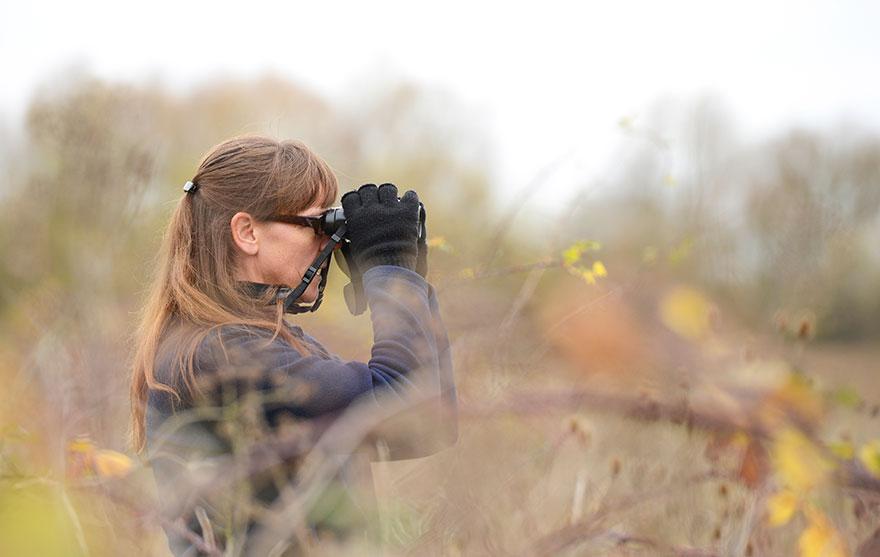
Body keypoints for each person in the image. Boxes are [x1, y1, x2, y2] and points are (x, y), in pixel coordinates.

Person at [129, 135, 457, 555]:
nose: (330, 242)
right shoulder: (222, 355)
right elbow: (404, 409)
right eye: (319, 225)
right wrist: (388, 271)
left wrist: (407, 279)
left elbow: (431, 425)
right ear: (247, 232)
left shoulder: (250, 342)